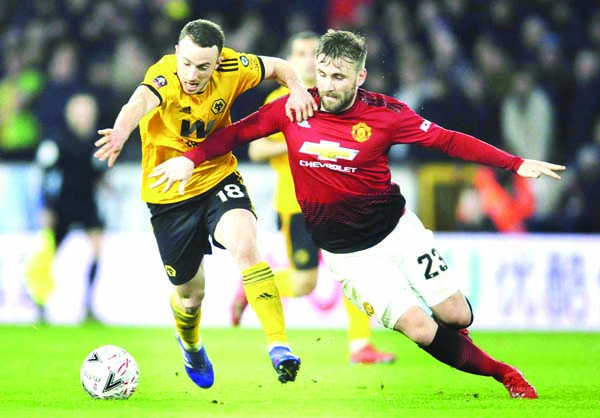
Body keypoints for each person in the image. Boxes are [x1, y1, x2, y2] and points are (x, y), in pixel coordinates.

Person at [149, 29, 567, 398]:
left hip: (398, 231)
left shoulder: (387, 115)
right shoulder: (294, 108)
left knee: (457, 315)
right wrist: (191, 158)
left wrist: (514, 164)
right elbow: (237, 134)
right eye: (323, 74)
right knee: (421, 328)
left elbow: (448, 141)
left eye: (339, 78)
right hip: (348, 255)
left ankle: (460, 343)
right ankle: (506, 375)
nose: (327, 86)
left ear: (359, 77)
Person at [94, 19, 317, 388]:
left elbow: (280, 66)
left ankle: (279, 346)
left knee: (246, 243)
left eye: (203, 67)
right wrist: (120, 131)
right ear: (178, 53)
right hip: (168, 193)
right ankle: (192, 344)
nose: (192, 74)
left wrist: (295, 88)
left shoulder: (235, 66)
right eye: (187, 63)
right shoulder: (164, 75)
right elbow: (139, 101)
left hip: (216, 175)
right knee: (190, 295)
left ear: (218, 62)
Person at [233, 31, 396, 364]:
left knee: (357, 269)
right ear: (290, 60)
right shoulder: (280, 99)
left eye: (313, 52)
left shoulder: (339, 97)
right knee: (305, 283)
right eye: (300, 53)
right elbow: (257, 148)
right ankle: (252, 288)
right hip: (298, 206)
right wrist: (299, 142)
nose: (307, 59)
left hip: (342, 201)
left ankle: (360, 345)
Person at [25, 92, 105, 323]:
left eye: (88, 112)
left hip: (87, 203)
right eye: (80, 112)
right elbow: (45, 176)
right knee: (48, 254)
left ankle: (89, 305)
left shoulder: (97, 141)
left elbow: (98, 172)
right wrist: (46, 207)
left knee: (98, 249)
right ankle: (39, 302)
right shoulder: (56, 141)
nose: (85, 117)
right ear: (70, 114)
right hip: (60, 206)